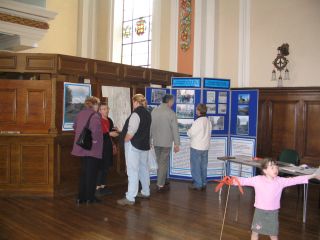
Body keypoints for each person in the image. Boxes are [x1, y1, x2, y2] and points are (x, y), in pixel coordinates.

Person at [234, 158, 320, 240]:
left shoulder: (280, 181)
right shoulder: (257, 179)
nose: (275, 169)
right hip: (259, 212)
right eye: (272, 167)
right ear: (265, 170)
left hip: (273, 213)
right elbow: (244, 180)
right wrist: (232, 180)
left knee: (273, 235)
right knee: (255, 233)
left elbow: (295, 180)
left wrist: (313, 176)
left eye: (276, 167)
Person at [117, 94, 152, 206]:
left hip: (134, 145)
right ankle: (146, 191)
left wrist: (125, 140)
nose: (133, 105)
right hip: (144, 146)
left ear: (136, 102)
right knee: (143, 169)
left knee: (132, 171)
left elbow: (131, 131)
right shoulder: (148, 113)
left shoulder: (136, 114)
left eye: (133, 102)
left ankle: (130, 197)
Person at [71, 96, 103, 204]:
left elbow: (75, 127)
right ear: (95, 105)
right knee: (91, 174)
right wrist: (94, 143)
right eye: (98, 104)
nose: (98, 107)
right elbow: (96, 132)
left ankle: (81, 197)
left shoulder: (80, 114)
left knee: (84, 173)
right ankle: (90, 197)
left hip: (81, 148)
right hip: (92, 149)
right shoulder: (95, 115)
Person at [151, 94, 180, 192]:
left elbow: (150, 127)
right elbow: (175, 129)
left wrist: (149, 139)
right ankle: (160, 184)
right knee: (163, 163)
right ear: (169, 101)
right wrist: (177, 144)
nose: (173, 103)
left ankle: (161, 180)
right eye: (173, 101)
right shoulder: (171, 113)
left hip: (156, 141)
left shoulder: (154, 111)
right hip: (166, 143)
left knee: (159, 162)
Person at [187, 104, 212, 190]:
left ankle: (198, 184)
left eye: (196, 110)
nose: (196, 111)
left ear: (199, 111)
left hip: (196, 147)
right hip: (205, 147)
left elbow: (190, 133)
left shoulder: (198, 121)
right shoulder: (208, 121)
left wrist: (188, 130)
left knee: (195, 166)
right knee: (203, 166)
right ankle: (203, 182)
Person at [96, 103, 119, 196]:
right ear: (99, 110)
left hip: (108, 146)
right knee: (100, 168)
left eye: (107, 108)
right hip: (100, 147)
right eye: (103, 109)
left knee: (106, 167)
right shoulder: (98, 120)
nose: (106, 110)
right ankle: (97, 188)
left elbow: (110, 130)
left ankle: (103, 187)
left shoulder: (109, 120)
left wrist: (115, 130)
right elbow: (97, 134)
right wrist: (109, 134)